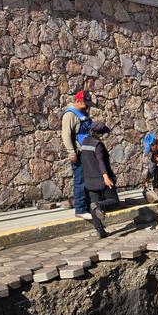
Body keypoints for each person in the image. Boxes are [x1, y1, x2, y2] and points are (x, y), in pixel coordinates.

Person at [79, 121, 120, 239]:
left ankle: (100, 230)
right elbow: (100, 161)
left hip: (89, 180)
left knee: (93, 205)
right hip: (101, 179)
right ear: (100, 133)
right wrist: (106, 177)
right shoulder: (97, 145)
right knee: (114, 201)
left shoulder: (85, 142)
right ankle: (99, 206)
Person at [62, 90, 94, 220]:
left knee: (88, 179)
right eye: (85, 103)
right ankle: (80, 209)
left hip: (88, 151)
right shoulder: (70, 115)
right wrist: (71, 152)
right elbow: (66, 135)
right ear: (78, 101)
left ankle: (88, 205)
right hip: (78, 153)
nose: (88, 106)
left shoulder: (83, 113)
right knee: (80, 180)